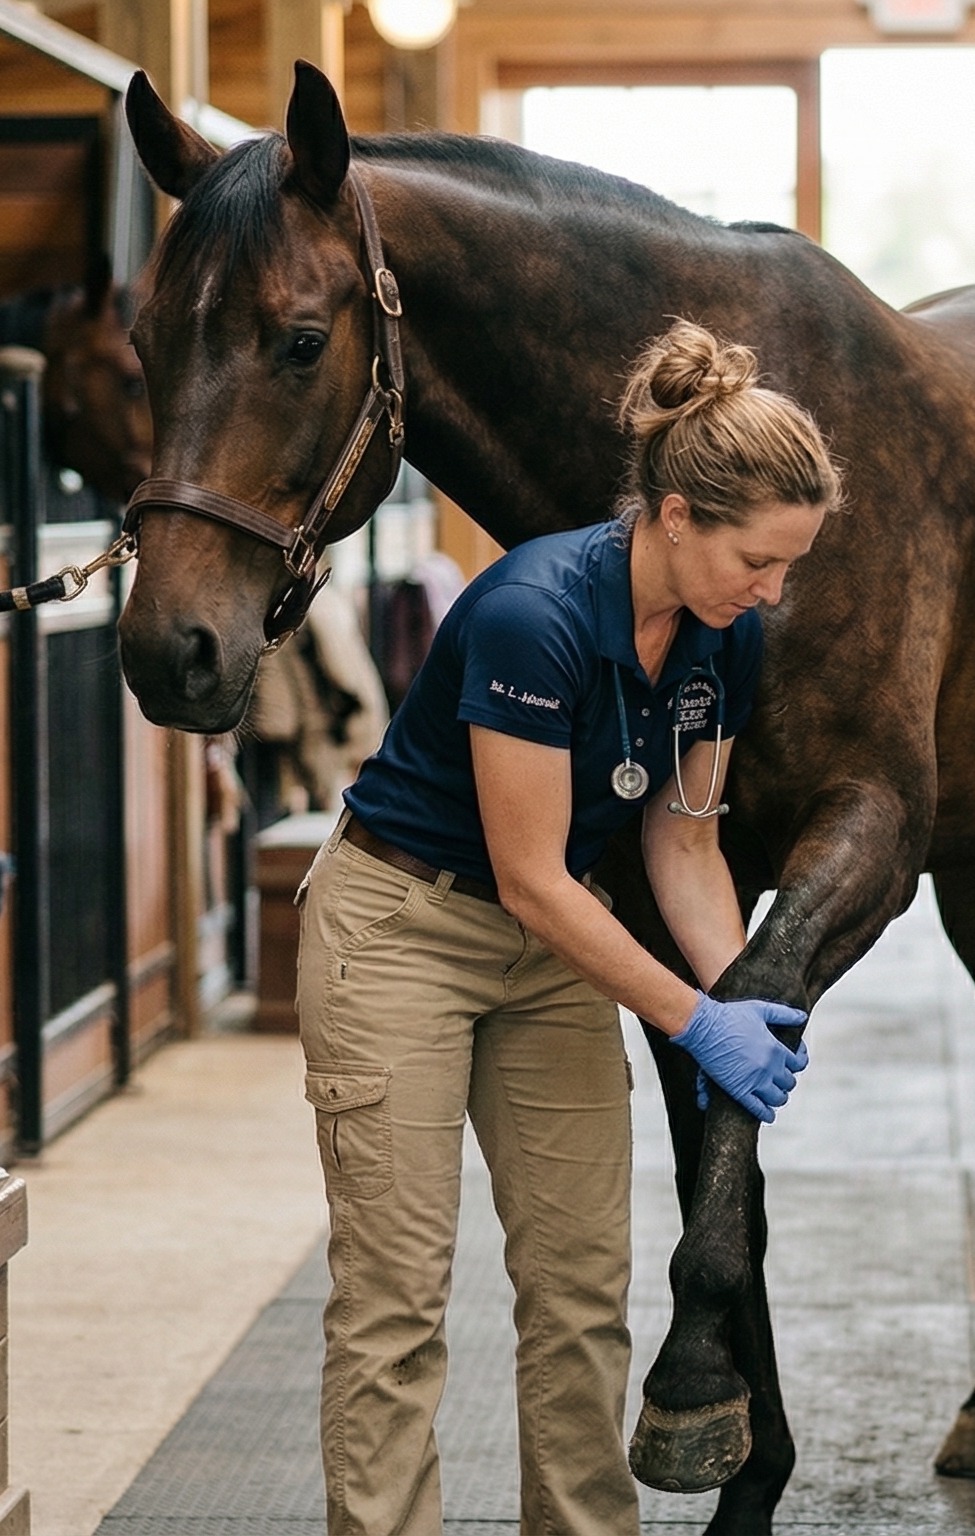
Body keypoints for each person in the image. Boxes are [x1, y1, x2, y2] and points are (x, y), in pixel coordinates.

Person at [296, 318, 841, 1536]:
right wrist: (697, 1021)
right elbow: (532, 873)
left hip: (551, 955)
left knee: (581, 1289)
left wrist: (742, 990)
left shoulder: (724, 635)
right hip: (404, 931)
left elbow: (683, 842)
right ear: (678, 516)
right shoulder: (531, 613)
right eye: (760, 558)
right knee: (396, 1303)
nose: (772, 590)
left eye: (790, 565)